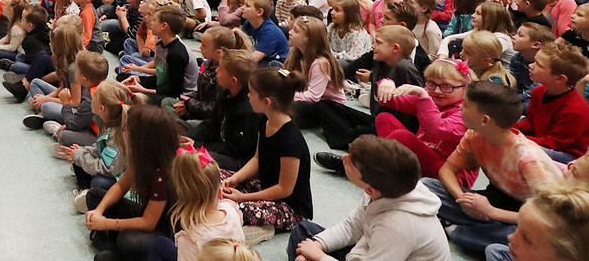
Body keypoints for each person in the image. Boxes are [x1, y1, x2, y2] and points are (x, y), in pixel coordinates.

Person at [425, 81, 563, 254]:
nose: (461, 108)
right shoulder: (475, 134)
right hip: (494, 200)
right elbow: (447, 170)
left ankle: (458, 231)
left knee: (515, 241)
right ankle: (466, 227)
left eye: (466, 105)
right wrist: (463, 199)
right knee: (427, 186)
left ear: (485, 120)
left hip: (528, 214)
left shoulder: (528, 159)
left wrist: (491, 212)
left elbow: (550, 218)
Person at [288, 135, 451, 261]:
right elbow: (352, 227)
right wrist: (315, 246)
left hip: (383, 248)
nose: (343, 158)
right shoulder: (387, 189)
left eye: (351, 162)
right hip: (372, 249)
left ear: (370, 189)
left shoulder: (399, 225)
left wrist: (319, 256)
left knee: (305, 248)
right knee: (304, 231)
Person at [81, 104, 183, 260]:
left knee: (127, 241)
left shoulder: (163, 173)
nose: (123, 133)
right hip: (143, 214)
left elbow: (149, 223)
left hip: (160, 231)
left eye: (126, 129)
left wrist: (106, 223)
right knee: (94, 195)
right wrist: (99, 212)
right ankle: (111, 248)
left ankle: (112, 247)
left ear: (142, 139)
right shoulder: (141, 158)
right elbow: (121, 186)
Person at [222, 67, 313, 234]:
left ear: (266, 101)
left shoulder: (290, 140)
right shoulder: (265, 122)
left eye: (251, 92)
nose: (248, 96)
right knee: (217, 177)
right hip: (267, 188)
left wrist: (243, 198)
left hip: (290, 208)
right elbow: (256, 159)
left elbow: (284, 189)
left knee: (233, 208)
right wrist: (235, 178)